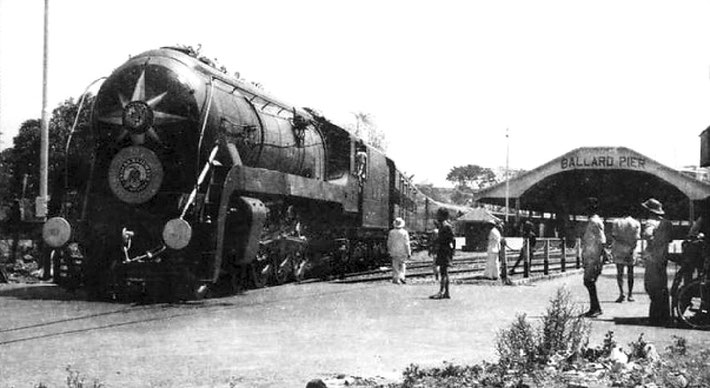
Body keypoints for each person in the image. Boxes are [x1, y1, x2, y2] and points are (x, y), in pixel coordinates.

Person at [640, 198, 673, 326]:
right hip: (663, 256)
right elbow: (670, 239)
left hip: (652, 257)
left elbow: (647, 235)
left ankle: (655, 316)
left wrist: (653, 241)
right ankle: (664, 315)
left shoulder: (650, 222)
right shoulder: (667, 223)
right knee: (662, 286)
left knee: (651, 287)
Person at [610, 207, 641, 303]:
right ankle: (630, 295)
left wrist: (622, 242)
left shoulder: (616, 222)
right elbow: (637, 238)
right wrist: (631, 247)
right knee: (630, 273)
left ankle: (621, 293)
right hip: (631, 250)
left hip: (619, 249)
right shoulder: (636, 223)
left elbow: (614, 235)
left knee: (620, 273)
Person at [581, 197, 605, 318]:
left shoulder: (594, 222)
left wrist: (597, 259)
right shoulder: (592, 221)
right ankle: (595, 307)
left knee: (588, 281)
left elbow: (601, 241)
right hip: (590, 256)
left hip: (593, 257)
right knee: (589, 282)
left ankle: (595, 308)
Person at [430, 208, 455, 299]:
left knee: (443, 272)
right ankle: (446, 292)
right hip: (444, 250)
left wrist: (437, 242)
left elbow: (452, 239)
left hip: (444, 250)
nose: (437, 216)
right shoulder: (444, 226)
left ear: (443, 215)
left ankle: (442, 292)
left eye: (438, 214)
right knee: (444, 272)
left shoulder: (446, 226)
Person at [387, 217, 411, 284]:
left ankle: (396, 278)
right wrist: (409, 252)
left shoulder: (391, 232)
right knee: (402, 265)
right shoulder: (404, 232)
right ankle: (402, 277)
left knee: (395, 265)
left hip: (394, 251)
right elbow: (407, 243)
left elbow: (389, 242)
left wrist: (389, 250)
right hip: (402, 251)